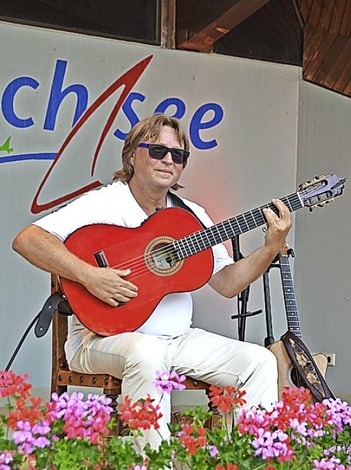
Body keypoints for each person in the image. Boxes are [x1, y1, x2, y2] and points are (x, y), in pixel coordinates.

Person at [12, 113, 291, 448]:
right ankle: (152, 461)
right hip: (100, 338)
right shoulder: (104, 203)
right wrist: (90, 276)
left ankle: (247, 458)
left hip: (177, 340)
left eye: (179, 155)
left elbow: (228, 284)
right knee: (148, 351)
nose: (169, 160)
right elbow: (28, 239)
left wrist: (270, 246)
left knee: (260, 362)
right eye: (158, 151)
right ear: (132, 155)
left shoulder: (191, 215)